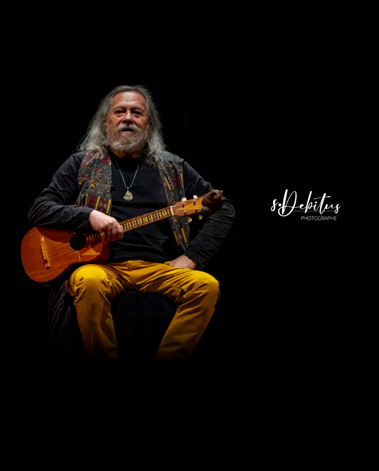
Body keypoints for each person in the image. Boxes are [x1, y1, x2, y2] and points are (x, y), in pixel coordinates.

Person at [27, 85, 235, 360]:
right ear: (106, 122)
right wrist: (89, 216)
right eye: (120, 112)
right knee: (88, 281)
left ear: (149, 125)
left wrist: (193, 256)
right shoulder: (82, 163)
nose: (128, 118)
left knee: (206, 286)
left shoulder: (172, 168)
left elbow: (223, 208)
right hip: (101, 268)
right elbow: (40, 208)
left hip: (156, 269)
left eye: (137, 113)